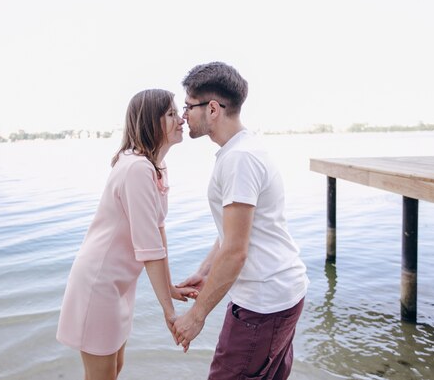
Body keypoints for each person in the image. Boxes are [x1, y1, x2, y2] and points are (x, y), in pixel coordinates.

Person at [173, 62, 309, 380]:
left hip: (263, 304)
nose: (183, 115)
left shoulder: (239, 159)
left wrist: (197, 315)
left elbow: (236, 250)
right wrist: (205, 272)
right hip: (281, 292)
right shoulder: (241, 150)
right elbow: (232, 232)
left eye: (188, 106)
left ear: (213, 109)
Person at [56, 89, 196, 380]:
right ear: (150, 122)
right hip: (99, 284)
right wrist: (169, 312)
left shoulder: (155, 167)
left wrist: (168, 286)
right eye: (171, 114)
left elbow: (157, 230)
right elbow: (149, 248)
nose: (181, 118)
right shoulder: (136, 168)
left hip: (119, 285)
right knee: (102, 375)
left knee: (115, 368)